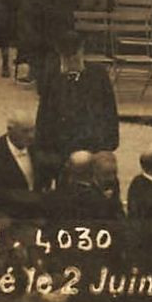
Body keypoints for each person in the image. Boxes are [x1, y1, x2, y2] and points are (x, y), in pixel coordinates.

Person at [33, 31, 119, 186]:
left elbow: (109, 111)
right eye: (66, 57)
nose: (71, 61)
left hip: (93, 146)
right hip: (61, 147)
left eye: (74, 55)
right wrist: (44, 149)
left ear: (81, 52)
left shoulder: (98, 76)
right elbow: (44, 114)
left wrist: (107, 145)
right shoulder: (53, 76)